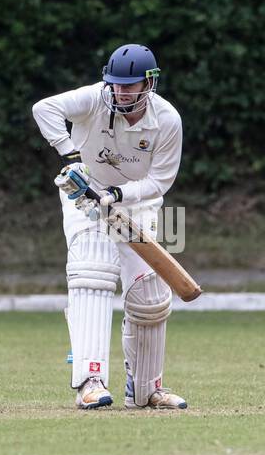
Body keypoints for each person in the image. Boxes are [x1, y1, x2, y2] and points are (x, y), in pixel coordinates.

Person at [31, 44, 189, 410]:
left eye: (130, 86)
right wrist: (70, 155)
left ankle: (147, 389)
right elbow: (45, 108)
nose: (121, 92)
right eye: (116, 84)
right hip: (85, 200)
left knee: (151, 297)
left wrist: (117, 194)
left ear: (149, 84)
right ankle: (90, 381)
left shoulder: (167, 120)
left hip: (137, 205)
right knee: (93, 270)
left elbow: (159, 182)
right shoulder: (95, 99)